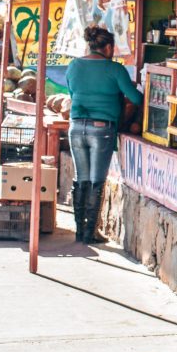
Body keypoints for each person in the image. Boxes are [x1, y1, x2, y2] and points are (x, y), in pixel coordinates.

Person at [66, 25, 143, 243]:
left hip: (76, 126)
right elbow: (136, 99)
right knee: (96, 180)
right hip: (102, 130)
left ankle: (80, 231)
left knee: (81, 178)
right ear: (108, 47)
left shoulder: (74, 66)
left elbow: (72, 93)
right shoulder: (115, 69)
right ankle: (90, 233)